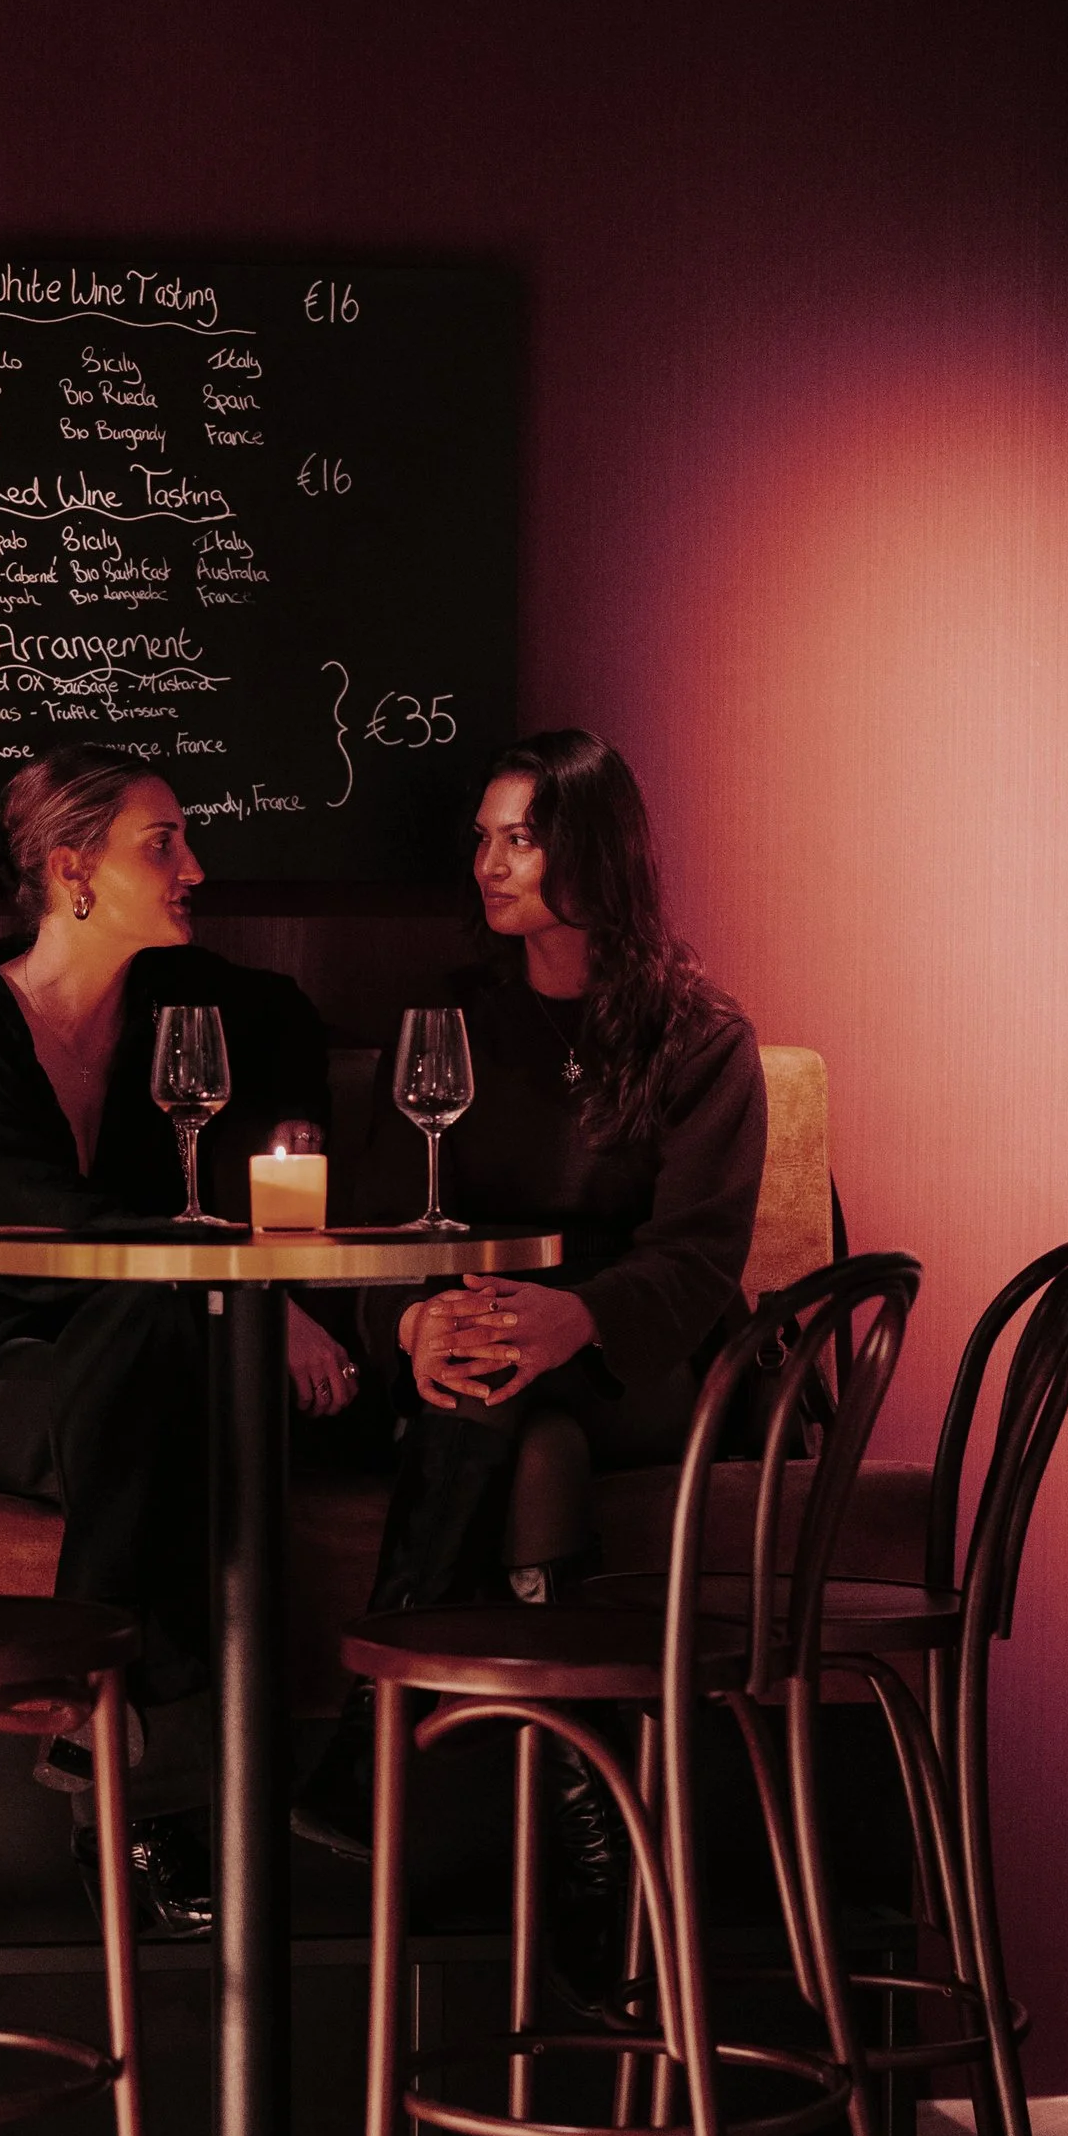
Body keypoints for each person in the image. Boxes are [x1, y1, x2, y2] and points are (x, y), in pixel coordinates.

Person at [0, 744, 356, 1930]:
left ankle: (108, 1748)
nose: (195, 867)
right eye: (161, 843)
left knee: (162, 1350)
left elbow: (275, 1122)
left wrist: (255, 1293)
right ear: (72, 872)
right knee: (172, 1347)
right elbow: (8, 1224)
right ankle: (162, 1790)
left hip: (128, 1367)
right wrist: (247, 1303)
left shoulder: (208, 1015)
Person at [302, 729, 767, 2000]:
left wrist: (577, 1319)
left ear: (592, 853)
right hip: (483, 1365)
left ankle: (370, 1726)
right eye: (482, 838)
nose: (488, 864)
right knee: (527, 1428)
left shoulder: (700, 1035)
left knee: (539, 1395)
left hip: (645, 1363)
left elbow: (701, 1260)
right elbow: (386, 1229)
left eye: (518, 838)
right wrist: (407, 1329)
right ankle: (590, 1825)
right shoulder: (443, 1020)